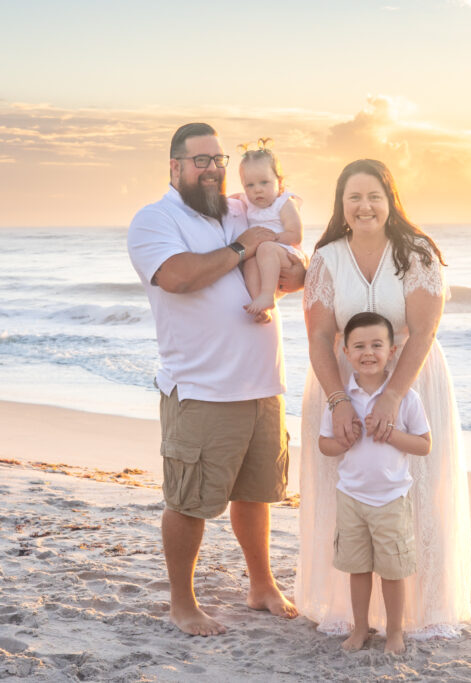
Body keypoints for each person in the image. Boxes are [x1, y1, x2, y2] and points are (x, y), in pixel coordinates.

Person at [127, 122, 305, 636]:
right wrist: (243, 249)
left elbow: (287, 257)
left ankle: (261, 584)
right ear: (175, 166)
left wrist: (290, 263)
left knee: (255, 493)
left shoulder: (237, 210)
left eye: (218, 160)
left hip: (262, 382)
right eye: (200, 160)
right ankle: (183, 604)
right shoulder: (155, 219)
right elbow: (179, 277)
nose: (212, 170)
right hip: (201, 387)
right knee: (189, 501)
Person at [298, 159, 471, 639]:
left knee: (416, 489)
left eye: (373, 195)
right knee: (348, 488)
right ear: (342, 206)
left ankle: (420, 611)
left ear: (389, 199)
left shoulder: (416, 254)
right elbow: (317, 338)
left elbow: (422, 330)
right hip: (342, 382)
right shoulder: (328, 258)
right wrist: (338, 399)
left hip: (413, 380)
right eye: (353, 197)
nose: (364, 205)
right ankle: (351, 613)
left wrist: (395, 395)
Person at [319, 312, 431, 655]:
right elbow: (324, 444)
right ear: (346, 351)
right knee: (358, 568)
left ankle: (394, 631)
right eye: (360, 346)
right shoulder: (341, 400)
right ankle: (359, 628)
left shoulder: (405, 398)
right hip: (351, 496)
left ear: (393, 351)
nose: (369, 352)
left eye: (377, 345)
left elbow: (424, 445)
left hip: (391, 497)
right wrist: (344, 440)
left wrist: (392, 434)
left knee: (393, 570)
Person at [237, 142, 305, 322]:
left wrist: (272, 239)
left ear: (279, 182)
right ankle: (260, 304)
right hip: (264, 256)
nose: (257, 189)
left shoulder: (284, 203)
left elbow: (295, 234)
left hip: (285, 253)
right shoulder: (247, 202)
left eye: (264, 182)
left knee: (265, 248)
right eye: (249, 185)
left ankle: (268, 296)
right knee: (250, 262)